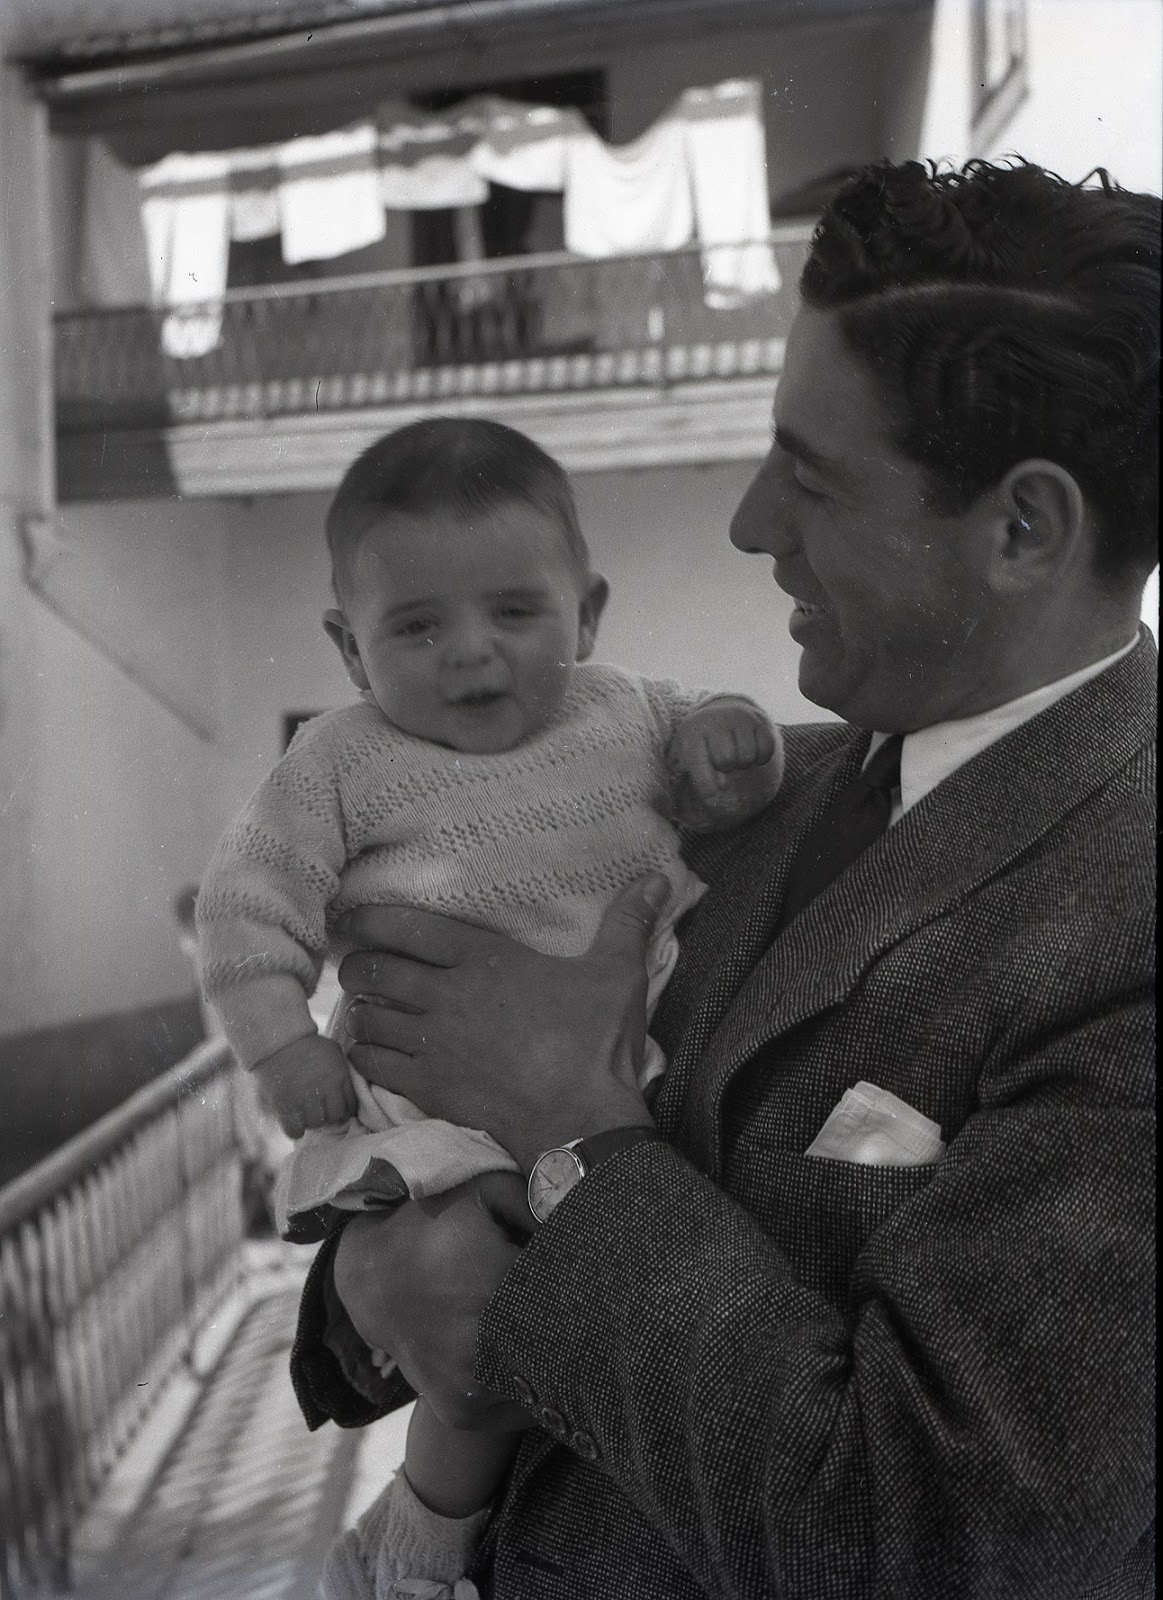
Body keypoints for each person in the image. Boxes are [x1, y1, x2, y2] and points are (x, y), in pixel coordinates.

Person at [292, 159, 1158, 1600]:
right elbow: (438, 1187)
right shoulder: (721, 792)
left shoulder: (1124, 924)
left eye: (809, 476)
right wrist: (371, 1277)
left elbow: (927, 1541)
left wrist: (573, 1126)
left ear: (1022, 529)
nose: (750, 524)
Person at [196, 416, 783, 1592]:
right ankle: (421, 1544)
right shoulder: (338, 763)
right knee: (474, 1329)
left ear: (587, 611)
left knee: (606, 1315)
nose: (471, 655)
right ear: (349, 648)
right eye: (416, 626)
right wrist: (278, 1048)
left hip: (631, 1093)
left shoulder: (626, 709)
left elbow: (718, 764)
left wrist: (740, 743)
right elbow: (246, 907)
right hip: (437, 1116)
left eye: (515, 611)